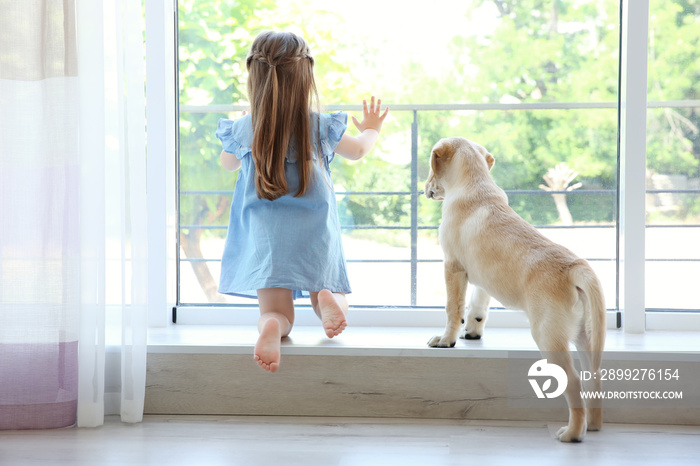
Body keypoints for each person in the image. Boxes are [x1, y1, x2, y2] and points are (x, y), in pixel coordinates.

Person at [216, 31, 389, 373]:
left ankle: (271, 328)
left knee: (278, 312)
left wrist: (243, 134)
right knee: (331, 290)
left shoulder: (245, 128)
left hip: (266, 238)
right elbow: (357, 151)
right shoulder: (319, 126)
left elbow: (228, 163)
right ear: (305, 76)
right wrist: (371, 129)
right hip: (314, 232)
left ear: (255, 77)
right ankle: (327, 300)